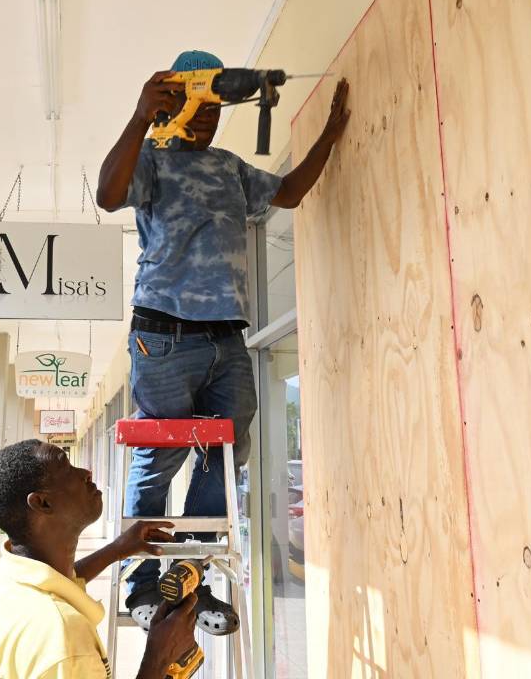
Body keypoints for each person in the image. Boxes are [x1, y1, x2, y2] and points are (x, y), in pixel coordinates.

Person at [96, 50, 350, 632]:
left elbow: (286, 193)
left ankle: (189, 578)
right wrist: (139, 118)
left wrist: (331, 135)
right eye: (197, 105)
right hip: (162, 335)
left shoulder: (231, 167)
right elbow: (109, 196)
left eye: (215, 108)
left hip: (227, 339)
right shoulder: (154, 161)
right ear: (175, 106)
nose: (207, 117)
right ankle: (141, 582)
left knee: (225, 454)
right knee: (161, 457)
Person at [0, 439, 198, 679]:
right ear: (42, 502)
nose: (86, 472)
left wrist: (116, 550)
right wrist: (158, 657)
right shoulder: (64, 642)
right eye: (66, 468)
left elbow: (58, 583)